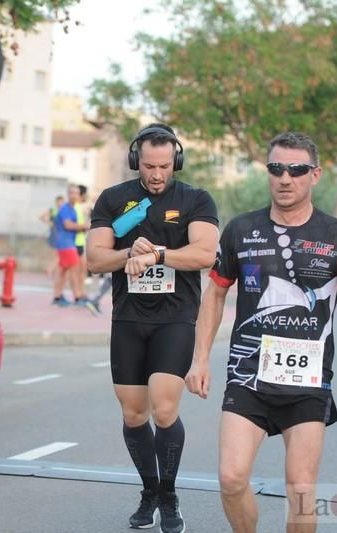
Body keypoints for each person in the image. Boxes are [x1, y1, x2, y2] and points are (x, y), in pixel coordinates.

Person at [186, 132, 337, 533]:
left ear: (315, 175)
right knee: (231, 478)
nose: (285, 178)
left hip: (307, 381)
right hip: (248, 374)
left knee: (301, 488)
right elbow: (215, 294)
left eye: (296, 169)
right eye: (276, 169)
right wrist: (200, 358)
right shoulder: (240, 230)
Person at [87, 123, 219, 533]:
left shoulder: (195, 199)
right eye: (149, 166)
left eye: (164, 166)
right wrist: (128, 251)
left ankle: (169, 494)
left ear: (175, 160)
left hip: (175, 317)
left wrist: (159, 254)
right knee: (133, 413)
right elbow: (94, 258)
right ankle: (150, 491)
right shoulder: (114, 199)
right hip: (128, 318)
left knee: (164, 409)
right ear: (136, 161)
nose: (157, 174)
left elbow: (205, 253)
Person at [52, 184, 93, 308]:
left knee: (63, 271)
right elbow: (68, 225)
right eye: (72, 193)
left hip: (69, 242)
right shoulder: (65, 208)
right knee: (74, 269)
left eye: (76, 193)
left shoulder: (73, 209)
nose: (75, 195)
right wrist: (85, 226)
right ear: (68, 194)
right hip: (66, 243)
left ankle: (57, 296)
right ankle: (77, 297)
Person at [40, 195, 65, 278]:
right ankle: (50, 269)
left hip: (62, 234)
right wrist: (50, 223)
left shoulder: (64, 210)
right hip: (54, 234)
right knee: (56, 254)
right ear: (56, 202)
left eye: (62, 202)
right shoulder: (53, 210)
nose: (61, 203)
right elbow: (41, 217)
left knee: (60, 254)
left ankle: (51, 269)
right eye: (59, 202)